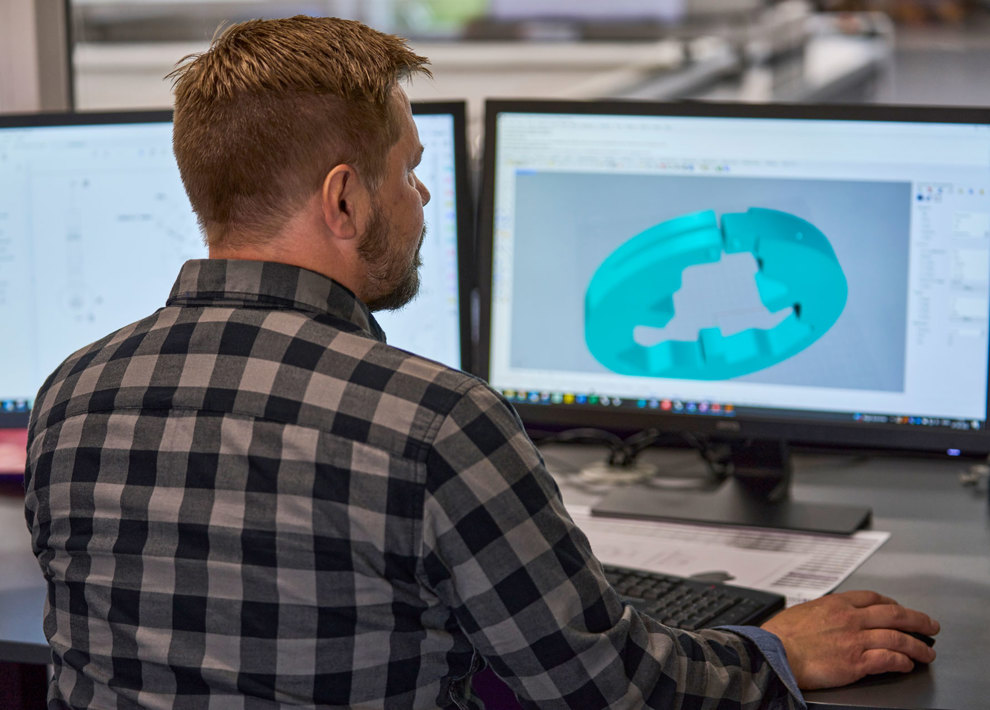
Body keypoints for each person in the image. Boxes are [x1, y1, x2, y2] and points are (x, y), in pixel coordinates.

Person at [23, 15, 939, 710]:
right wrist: (775, 650)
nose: (423, 199)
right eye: (410, 168)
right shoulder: (433, 422)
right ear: (344, 201)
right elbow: (604, 686)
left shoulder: (69, 395)